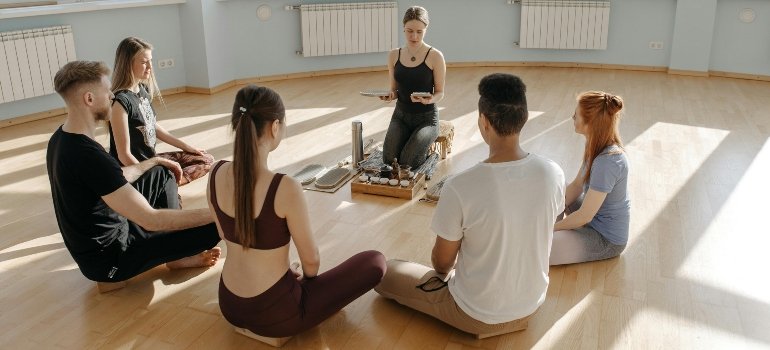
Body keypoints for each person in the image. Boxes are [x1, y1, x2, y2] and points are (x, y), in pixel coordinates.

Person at [375, 73, 565, 338]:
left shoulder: (461, 186)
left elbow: (442, 265)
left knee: (382, 271)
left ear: (483, 122)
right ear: (524, 118)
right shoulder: (553, 172)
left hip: (475, 314)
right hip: (532, 304)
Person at [209, 84, 386, 339]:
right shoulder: (285, 187)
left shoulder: (215, 172)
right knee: (375, 261)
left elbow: (228, 237)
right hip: (277, 315)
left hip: (230, 305)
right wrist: (300, 282)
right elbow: (311, 263)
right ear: (274, 127)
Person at [46, 60, 221, 291]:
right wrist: (221, 212)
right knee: (225, 224)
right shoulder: (89, 157)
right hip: (113, 259)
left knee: (161, 172)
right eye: (107, 91)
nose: (112, 95)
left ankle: (174, 253)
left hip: (104, 242)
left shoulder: (62, 138)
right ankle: (131, 272)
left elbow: (113, 177)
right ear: (89, 99)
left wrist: (155, 161)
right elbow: (151, 219)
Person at [109, 37, 213, 186]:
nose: (150, 66)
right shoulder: (120, 102)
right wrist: (149, 175)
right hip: (135, 167)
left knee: (205, 159)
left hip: (151, 159)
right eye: (144, 62)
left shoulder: (142, 90)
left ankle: (167, 182)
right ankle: (162, 184)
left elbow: (153, 126)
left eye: (150, 61)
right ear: (127, 64)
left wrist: (187, 147)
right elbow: (124, 156)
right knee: (168, 175)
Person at [549, 91, 630, 265]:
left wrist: (550, 229)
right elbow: (577, 185)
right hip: (592, 217)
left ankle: (550, 235)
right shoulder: (595, 144)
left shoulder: (608, 162)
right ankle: (549, 231)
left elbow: (585, 215)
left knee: (541, 250)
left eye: (576, 115)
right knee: (557, 185)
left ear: (590, 123)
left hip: (606, 239)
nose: (572, 117)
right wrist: (547, 221)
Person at [380, 6, 446, 169]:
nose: (414, 36)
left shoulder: (435, 56)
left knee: (407, 163)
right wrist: (390, 95)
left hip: (426, 119)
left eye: (419, 31)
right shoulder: (394, 55)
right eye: (409, 31)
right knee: (388, 160)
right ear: (403, 28)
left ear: (426, 30)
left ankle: (427, 153)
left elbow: (440, 92)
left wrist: (431, 99)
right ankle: (411, 141)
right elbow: (394, 90)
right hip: (400, 116)